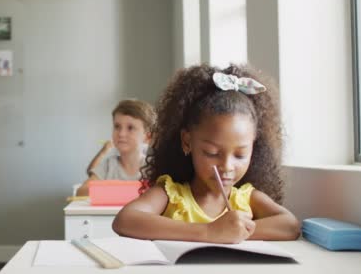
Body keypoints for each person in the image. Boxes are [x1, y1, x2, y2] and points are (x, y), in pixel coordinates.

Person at [112, 64, 301, 243]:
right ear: (187, 142)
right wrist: (209, 232)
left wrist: (235, 233)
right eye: (212, 153)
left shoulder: (247, 198)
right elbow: (125, 220)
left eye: (240, 155)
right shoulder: (171, 195)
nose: (227, 166)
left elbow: (290, 226)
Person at [76, 99, 156, 196]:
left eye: (130, 128)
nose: (121, 134)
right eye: (117, 126)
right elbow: (81, 192)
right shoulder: (108, 166)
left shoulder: (153, 166)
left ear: (147, 137)